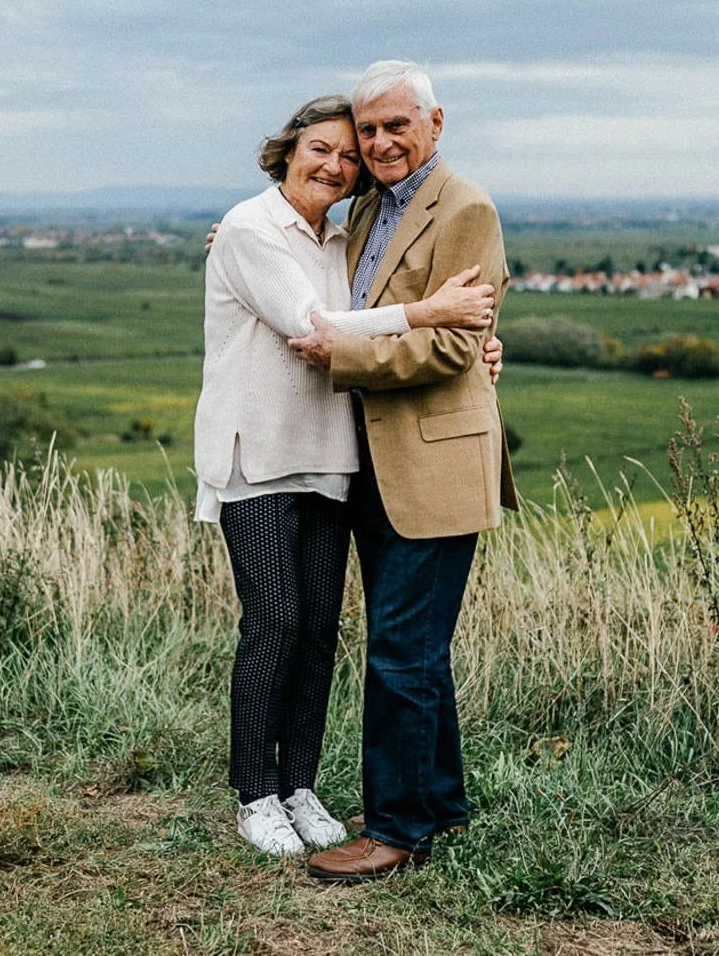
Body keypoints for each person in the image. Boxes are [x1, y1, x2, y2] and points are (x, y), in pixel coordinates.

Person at [194, 94, 502, 856]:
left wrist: (479, 347)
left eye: (348, 155)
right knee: (275, 624)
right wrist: (430, 313)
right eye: (321, 149)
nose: (335, 164)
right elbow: (318, 328)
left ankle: (298, 785)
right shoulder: (251, 227)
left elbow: (378, 311)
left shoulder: (339, 237)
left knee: (320, 632)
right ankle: (255, 794)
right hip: (259, 457)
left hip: (331, 458)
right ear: (288, 151)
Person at [285, 60, 517, 883]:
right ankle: (437, 802)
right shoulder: (367, 205)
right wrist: (238, 240)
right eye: (369, 129)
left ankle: (397, 831)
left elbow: (454, 346)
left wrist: (343, 356)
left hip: (434, 464)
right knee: (416, 649)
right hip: (374, 462)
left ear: (435, 123)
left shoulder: (466, 208)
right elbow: (317, 265)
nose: (380, 143)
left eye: (397, 126)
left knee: (400, 651)